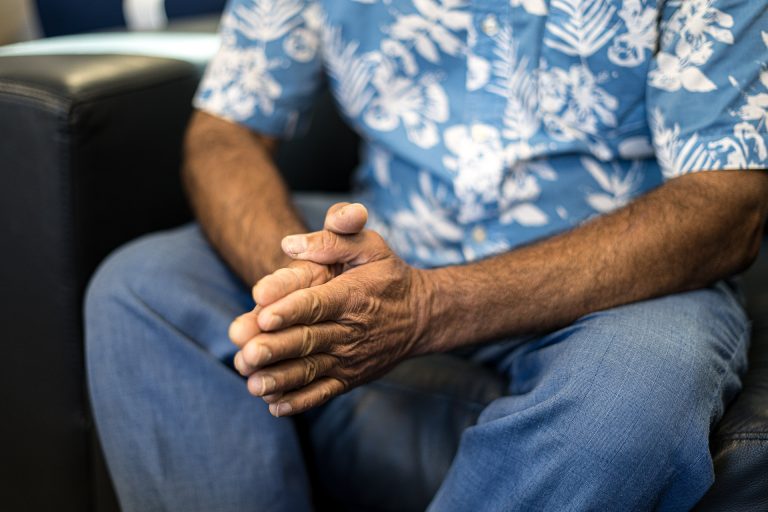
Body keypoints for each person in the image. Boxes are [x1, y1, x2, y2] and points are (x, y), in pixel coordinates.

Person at [85, 0, 768, 510]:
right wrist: (302, 284)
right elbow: (224, 131)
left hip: (612, 279)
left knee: (624, 407)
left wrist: (429, 308)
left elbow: (725, 202)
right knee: (142, 290)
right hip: (387, 237)